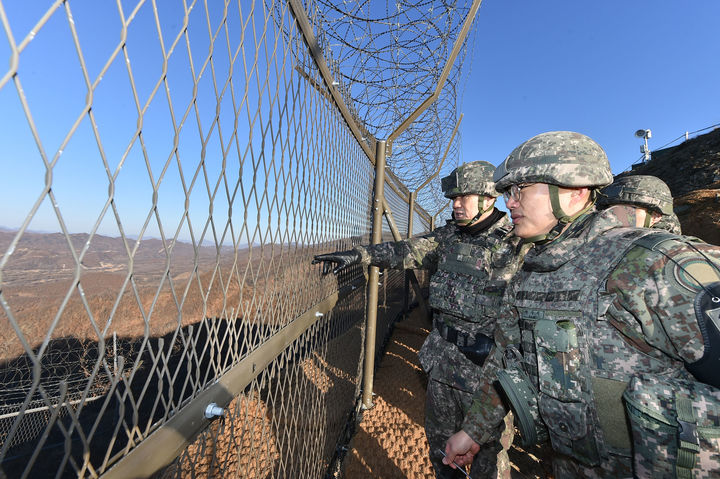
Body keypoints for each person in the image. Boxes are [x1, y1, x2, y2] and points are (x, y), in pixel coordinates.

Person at [443, 131, 720, 478]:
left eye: (519, 190)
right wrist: (473, 431)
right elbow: (505, 360)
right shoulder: (532, 271)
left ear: (574, 191)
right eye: (507, 193)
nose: (509, 202)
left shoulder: (655, 262)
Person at [313, 161, 527, 478]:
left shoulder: (517, 245)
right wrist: (361, 254)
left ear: (488, 198)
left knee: (489, 456)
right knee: (441, 448)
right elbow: (407, 251)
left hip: (488, 373)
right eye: (452, 198)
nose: (454, 205)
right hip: (443, 362)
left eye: (462, 197)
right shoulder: (449, 237)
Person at [597, 174, 682, 233]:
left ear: (655, 216)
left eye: (628, 210)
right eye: (610, 209)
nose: (615, 215)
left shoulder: (670, 252)